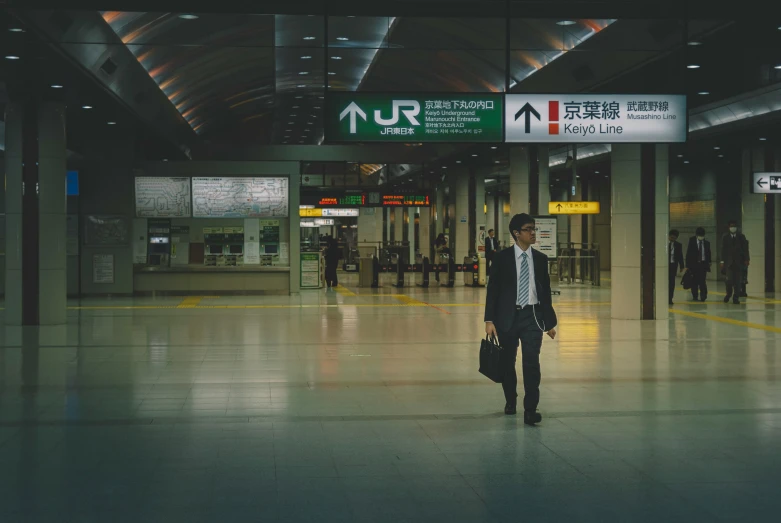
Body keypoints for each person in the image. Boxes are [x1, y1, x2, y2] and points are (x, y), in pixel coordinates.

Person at [484, 214, 557, 425]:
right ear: (517, 233)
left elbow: (545, 293)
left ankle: (530, 410)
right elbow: (493, 290)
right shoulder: (502, 258)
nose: (533, 233)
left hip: (532, 316)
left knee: (531, 363)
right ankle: (510, 400)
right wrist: (489, 320)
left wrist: (549, 323)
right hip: (507, 317)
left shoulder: (541, 259)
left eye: (534, 229)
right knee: (508, 363)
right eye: (528, 229)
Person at [720, 220, 750, 304]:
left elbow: (745, 249)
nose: (733, 228)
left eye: (734, 226)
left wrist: (747, 259)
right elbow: (723, 250)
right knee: (729, 280)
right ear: (729, 227)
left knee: (737, 281)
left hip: (739, 262)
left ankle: (736, 297)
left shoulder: (741, 237)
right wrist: (722, 261)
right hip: (728, 263)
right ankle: (728, 294)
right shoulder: (725, 237)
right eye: (731, 226)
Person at [685, 227, 712, 302]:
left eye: (702, 235)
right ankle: (695, 295)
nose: (701, 237)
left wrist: (709, 262)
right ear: (696, 235)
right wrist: (687, 265)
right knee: (694, 281)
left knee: (702, 281)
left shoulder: (707, 243)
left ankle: (703, 295)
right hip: (694, 264)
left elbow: (708, 253)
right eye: (700, 235)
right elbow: (688, 253)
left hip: (703, 264)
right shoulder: (692, 241)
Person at [667, 229, 684, 305]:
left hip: (673, 265)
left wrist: (681, 266)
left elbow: (680, 256)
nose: (672, 239)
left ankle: (670, 298)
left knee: (671, 283)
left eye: (674, 238)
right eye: (671, 238)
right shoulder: (665, 244)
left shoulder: (678, 245)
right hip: (664, 266)